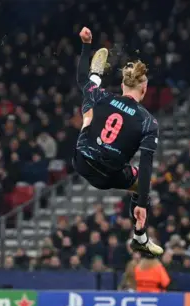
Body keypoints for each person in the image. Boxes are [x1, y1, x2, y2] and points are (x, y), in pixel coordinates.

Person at [72, 27, 162, 257]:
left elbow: (80, 79)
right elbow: (145, 166)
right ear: (144, 89)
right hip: (109, 173)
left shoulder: (104, 97)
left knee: (89, 109)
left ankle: (96, 74)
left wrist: (86, 45)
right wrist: (142, 202)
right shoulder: (148, 122)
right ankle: (140, 238)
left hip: (81, 160)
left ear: (122, 85)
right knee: (138, 183)